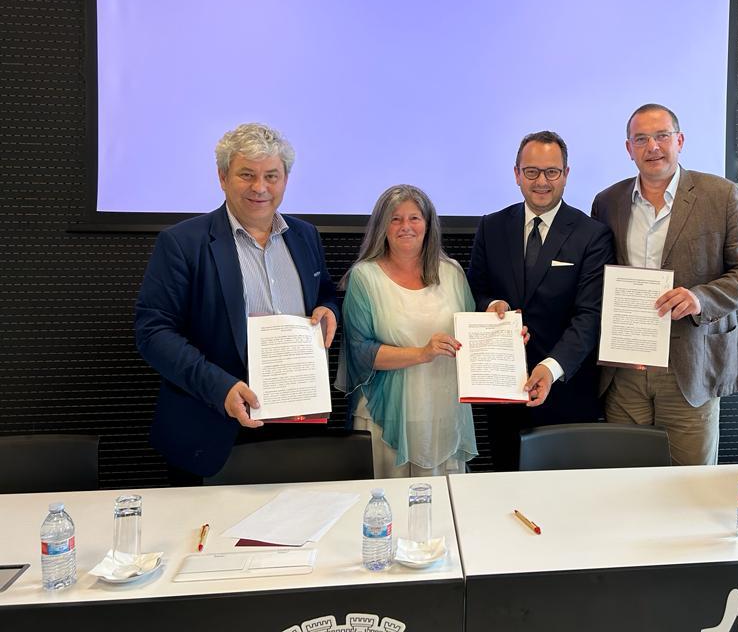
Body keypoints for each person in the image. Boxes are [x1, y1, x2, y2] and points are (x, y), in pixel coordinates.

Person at [135, 123, 339, 480]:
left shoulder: (305, 236)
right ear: (222, 177)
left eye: (271, 176)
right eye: (247, 175)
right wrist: (221, 388)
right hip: (213, 427)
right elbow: (153, 333)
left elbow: (324, 293)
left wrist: (329, 309)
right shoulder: (182, 243)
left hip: (297, 424)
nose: (260, 187)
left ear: (285, 179)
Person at [591, 104, 738, 465]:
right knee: (625, 480)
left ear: (680, 141)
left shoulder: (721, 195)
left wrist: (701, 298)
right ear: (628, 148)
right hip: (625, 371)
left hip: (690, 368)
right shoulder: (608, 202)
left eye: (662, 136)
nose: (652, 147)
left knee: (690, 484)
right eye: (641, 139)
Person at [467, 131, 615, 471]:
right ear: (517, 174)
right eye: (532, 171)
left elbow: (589, 315)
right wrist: (491, 306)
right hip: (502, 391)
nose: (542, 182)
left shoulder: (592, 234)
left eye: (552, 171)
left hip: (565, 390)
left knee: (565, 494)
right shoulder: (491, 226)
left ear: (566, 174)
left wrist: (550, 369)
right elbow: (474, 290)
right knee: (505, 488)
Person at [339, 185, 477, 478]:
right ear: (382, 226)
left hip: (443, 416)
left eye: (414, 218)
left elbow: (471, 336)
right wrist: (422, 353)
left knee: (443, 503)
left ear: (428, 224)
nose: (406, 226)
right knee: (388, 503)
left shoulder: (452, 272)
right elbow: (360, 352)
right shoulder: (364, 276)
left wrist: (501, 325)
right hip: (386, 418)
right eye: (395, 219)